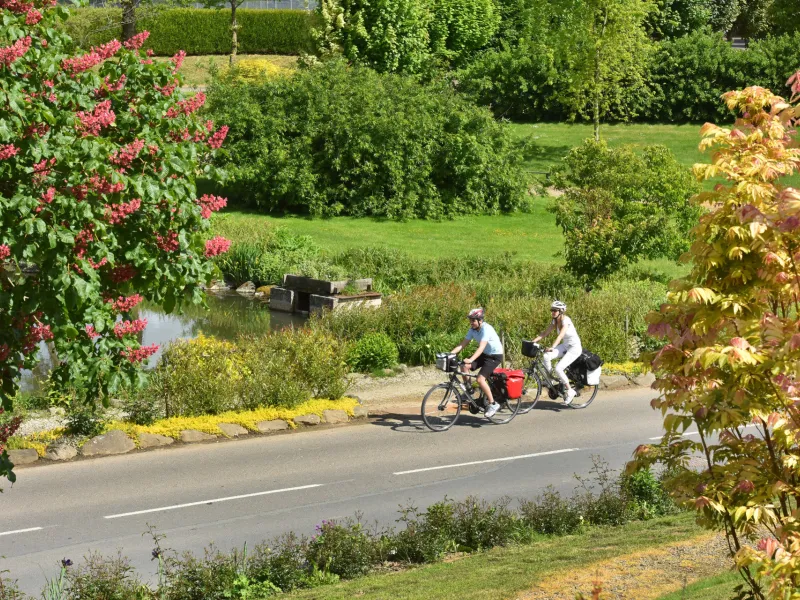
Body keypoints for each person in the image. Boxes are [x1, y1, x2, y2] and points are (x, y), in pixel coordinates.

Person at [450, 307, 503, 418]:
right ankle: (469, 390)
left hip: (494, 356)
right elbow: (462, 344)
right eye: (470, 320)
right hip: (485, 354)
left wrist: (471, 359)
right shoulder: (473, 330)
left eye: (473, 320)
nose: (471, 322)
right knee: (464, 366)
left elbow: (481, 347)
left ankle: (493, 404)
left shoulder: (486, 329)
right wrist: (450, 354)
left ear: (480, 320)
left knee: (480, 379)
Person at [532, 300, 582, 405]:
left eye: (555, 310)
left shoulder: (566, 320)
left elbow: (561, 335)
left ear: (561, 311)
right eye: (552, 310)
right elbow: (545, 333)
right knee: (546, 356)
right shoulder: (555, 321)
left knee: (558, 368)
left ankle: (570, 390)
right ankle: (550, 380)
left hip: (574, 348)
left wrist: (552, 347)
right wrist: (532, 342)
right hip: (565, 346)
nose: (553, 312)